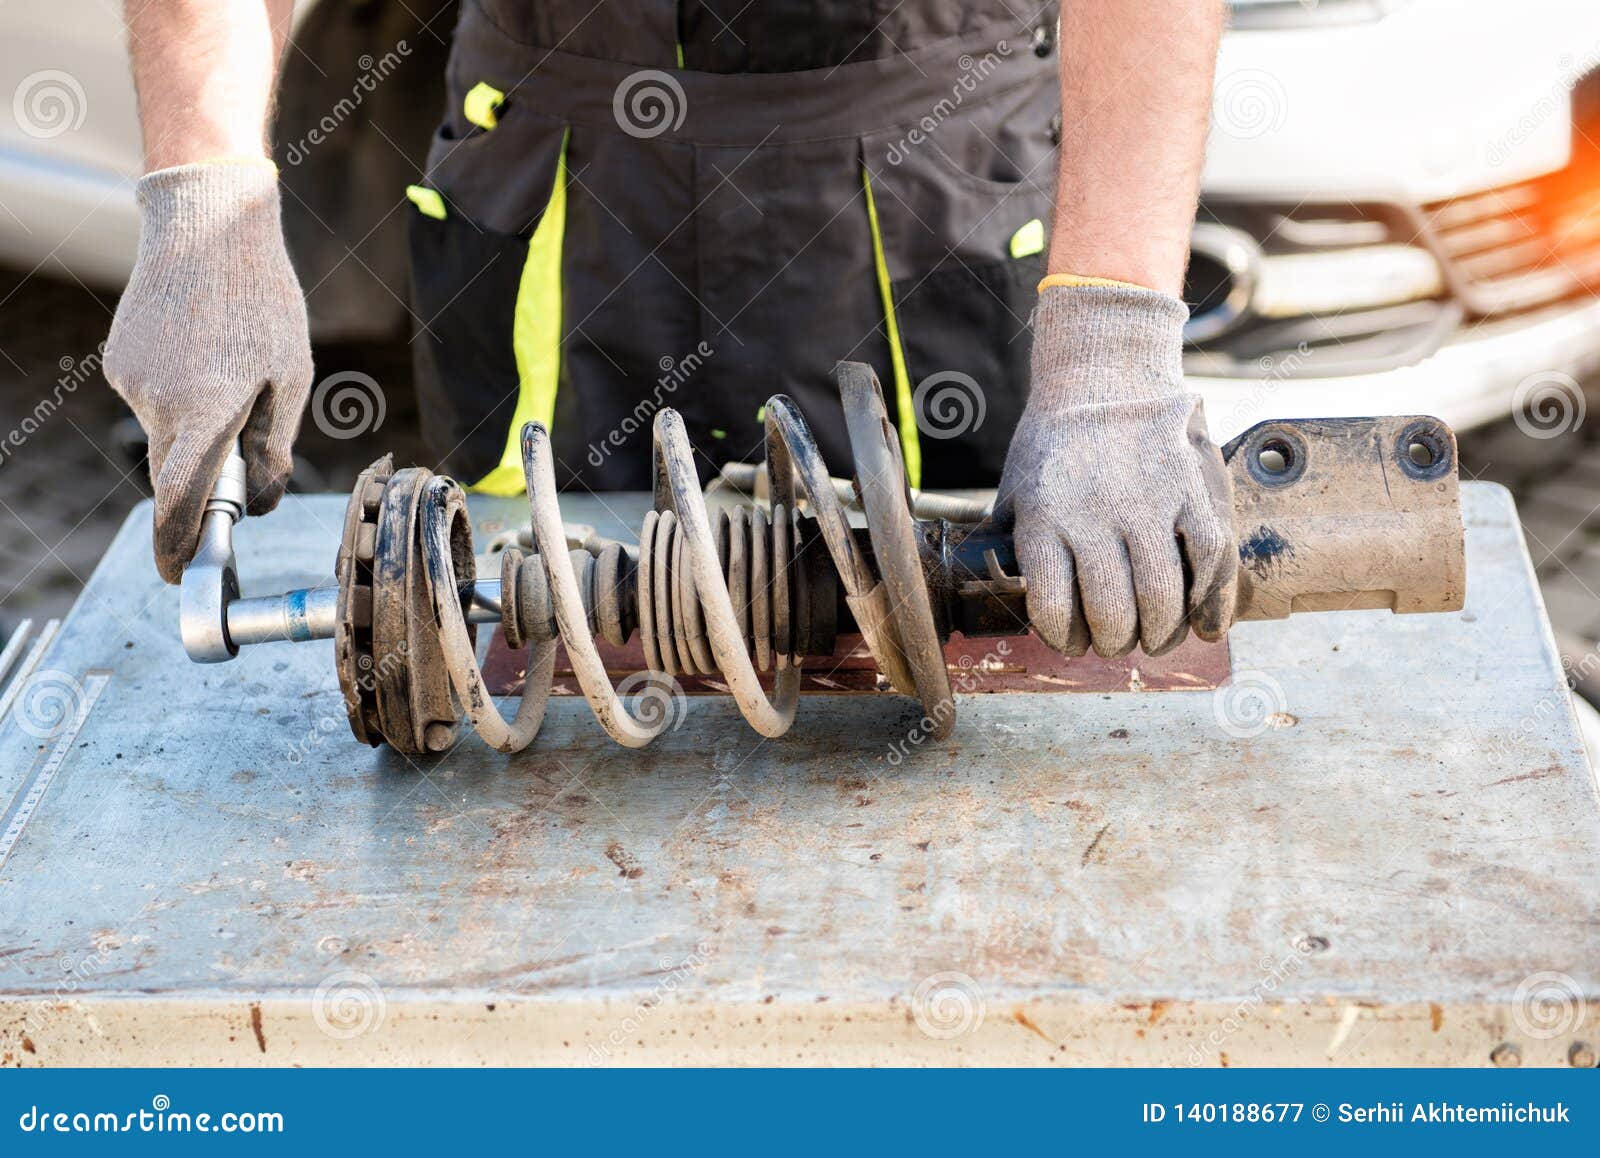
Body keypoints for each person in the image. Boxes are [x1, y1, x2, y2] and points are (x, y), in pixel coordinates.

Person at [106, 0, 1237, 659]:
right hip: (564, 187)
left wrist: (1109, 343)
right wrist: (205, 201)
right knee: (528, 666)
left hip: (934, 187)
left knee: (984, 667)